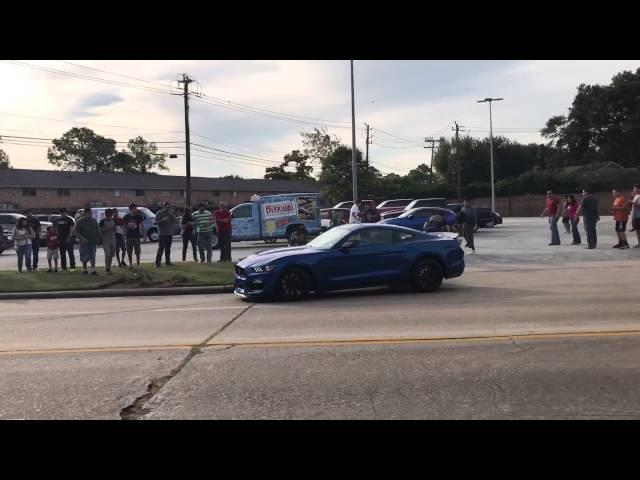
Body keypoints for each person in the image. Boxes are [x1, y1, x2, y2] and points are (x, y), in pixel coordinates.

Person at [75, 207, 99, 275]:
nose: (90, 215)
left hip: (93, 242)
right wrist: (82, 238)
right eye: (88, 213)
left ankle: (93, 270)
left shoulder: (94, 221)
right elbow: (76, 232)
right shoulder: (80, 222)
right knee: (84, 257)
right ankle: (84, 269)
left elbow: (97, 230)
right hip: (84, 243)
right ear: (85, 214)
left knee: (93, 256)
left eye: (90, 213)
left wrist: (98, 238)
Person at [154, 201, 178, 267]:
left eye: (169, 207)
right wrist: (162, 220)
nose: (168, 208)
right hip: (162, 234)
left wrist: (173, 216)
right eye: (167, 207)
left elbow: (177, 222)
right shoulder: (159, 213)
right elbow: (154, 223)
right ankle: (157, 264)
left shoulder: (171, 213)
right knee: (161, 249)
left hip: (170, 233)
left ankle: (168, 262)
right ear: (164, 206)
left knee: (168, 249)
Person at [123, 203, 144, 269]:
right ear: (131, 209)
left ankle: (138, 264)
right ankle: (131, 265)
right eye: (134, 208)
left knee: (137, 252)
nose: (136, 209)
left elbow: (142, 225)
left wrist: (143, 234)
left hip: (136, 236)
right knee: (129, 252)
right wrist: (124, 235)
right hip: (129, 236)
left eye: (136, 208)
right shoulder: (126, 217)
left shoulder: (139, 216)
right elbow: (124, 227)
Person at [99, 208, 117, 273]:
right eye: (109, 215)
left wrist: (115, 229)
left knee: (111, 255)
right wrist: (109, 228)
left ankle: (109, 267)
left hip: (113, 240)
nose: (110, 216)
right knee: (107, 254)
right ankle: (107, 267)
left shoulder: (113, 221)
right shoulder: (102, 221)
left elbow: (115, 230)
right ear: (106, 214)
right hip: (105, 240)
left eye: (111, 215)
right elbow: (100, 231)